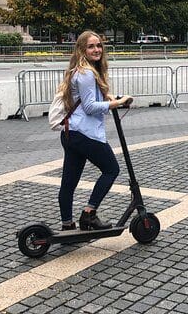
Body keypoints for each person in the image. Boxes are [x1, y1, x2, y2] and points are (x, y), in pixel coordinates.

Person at [57, 30, 133, 231]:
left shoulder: (79, 71)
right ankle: (89, 214)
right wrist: (116, 103)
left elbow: (86, 101)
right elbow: (90, 107)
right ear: (82, 49)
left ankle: (67, 225)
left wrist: (108, 97)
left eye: (99, 45)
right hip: (85, 134)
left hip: (71, 132)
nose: (97, 49)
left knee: (69, 182)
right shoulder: (87, 73)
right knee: (111, 169)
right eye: (91, 46)